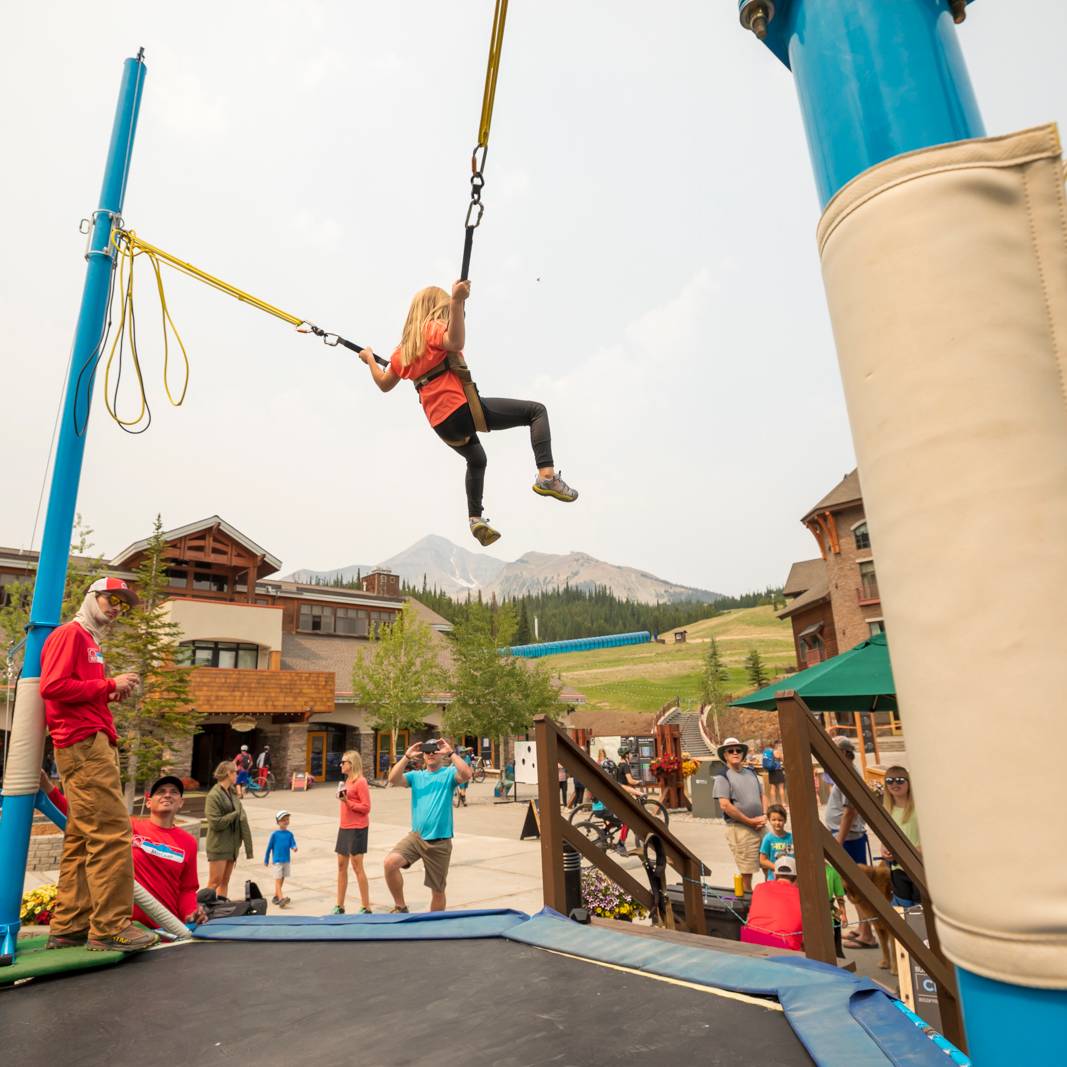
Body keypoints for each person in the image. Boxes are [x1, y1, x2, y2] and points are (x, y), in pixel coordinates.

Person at [358, 280, 579, 547]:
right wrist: (457, 301)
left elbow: (384, 384)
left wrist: (370, 359)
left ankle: (476, 519)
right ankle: (547, 477)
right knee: (536, 412)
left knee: (477, 459)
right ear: (434, 311)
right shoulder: (433, 329)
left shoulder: (401, 353)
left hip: (442, 425)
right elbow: (456, 340)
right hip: (461, 409)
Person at [40, 576, 157, 954]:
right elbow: (53, 687)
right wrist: (108, 686)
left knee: (81, 837)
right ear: (92, 597)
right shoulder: (71, 634)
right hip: (83, 743)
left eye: (121, 604)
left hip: (88, 739)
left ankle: (69, 925)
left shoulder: (90, 640)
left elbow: (75, 690)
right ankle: (109, 927)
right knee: (110, 832)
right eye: (111, 599)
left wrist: (109, 693)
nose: (116, 608)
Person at [43, 771, 206, 929]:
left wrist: (191, 914)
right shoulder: (128, 827)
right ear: (148, 802)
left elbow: (187, 889)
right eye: (161, 792)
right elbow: (83, 817)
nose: (167, 795)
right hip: (127, 929)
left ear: (181, 802)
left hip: (167, 929)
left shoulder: (188, 842)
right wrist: (48, 787)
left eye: (174, 792)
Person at [384, 738, 473, 912]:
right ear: (423, 756)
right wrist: (407, 757)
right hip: (416, 837)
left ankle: (435, 926)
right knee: (390, 863)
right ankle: (401, 906)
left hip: (439, 841)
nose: (431, 754)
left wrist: (451, 753)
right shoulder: (416, 776)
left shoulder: (448, 774)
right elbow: (393, 779)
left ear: (441, 754)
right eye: (427, 751)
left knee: (438, 891)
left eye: (435, 750)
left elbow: (467, 774)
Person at [824, 737, 877, 948]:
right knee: (851, 887)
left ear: (846, 754)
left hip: (849, 838)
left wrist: (838, 840)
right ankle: (862, 928)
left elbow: (849, 812)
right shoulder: (842, 773)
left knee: (856, 886)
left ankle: (868, 935)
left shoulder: (848, 774)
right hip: (846, 836)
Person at [712, 737, 766, 893]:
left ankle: (770, 904)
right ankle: (748, 909)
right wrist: (750, 821)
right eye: (731, 751)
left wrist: (764, 815)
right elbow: (725, 805)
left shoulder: (751, 773)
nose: (735, 753)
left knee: (770, 865)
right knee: (747, 872)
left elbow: (763, 795)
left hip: (760, 826)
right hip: (740, 828)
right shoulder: (723, 777)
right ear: (725, 755)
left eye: (738, 750)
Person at [205, 760, 253, 898]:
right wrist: (235, 814)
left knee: (225, 882)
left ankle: (221, 910)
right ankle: (200, 911)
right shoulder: (214, 795)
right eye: (235, 773)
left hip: (231, 846)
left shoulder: (231, 792)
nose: (237, 775)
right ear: (228, 773)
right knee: (214, 883)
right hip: (219, 846)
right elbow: (215, 823)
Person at [741, 854, 804, 951]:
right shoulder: (803, 897)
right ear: (797, 877)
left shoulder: (759, 888)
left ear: (775, 875)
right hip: (784, 947)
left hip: (750, 940)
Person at [335, 750, 372, 915]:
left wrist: (347, 802)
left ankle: (366, 906)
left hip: (358, 827)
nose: (341, 765)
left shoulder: (360, 782)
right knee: (341, 866)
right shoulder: (346, 781)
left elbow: (366, 808)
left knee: (357, 866)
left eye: (344, 762)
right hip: (344, 827)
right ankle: (339, 905)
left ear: (352, 764)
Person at [881, 765, 922, 907]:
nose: (894, 784)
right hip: (897, 869)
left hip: (919, 867)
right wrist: (885, 850)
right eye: (890, 781)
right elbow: (885, 838)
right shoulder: (886, 810)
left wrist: (916, 851)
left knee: (921, 910)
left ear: (909, 783)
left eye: (899, 780)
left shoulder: (919, 807)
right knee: (903, 909)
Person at [264, 810, 297, 907]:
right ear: (278, 822)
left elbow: (292, 843)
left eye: (287, 819)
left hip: (286, 860)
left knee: (282, 878)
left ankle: (276, 896)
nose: (286, 821)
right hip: (277, 861)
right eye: (283, 820)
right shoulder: (274, 835)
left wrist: (294, 847)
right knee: (278, 879)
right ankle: (281, 899)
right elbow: (269, 848)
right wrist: (266, 859)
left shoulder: (289, 834)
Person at [759, 804, 794, 881]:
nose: (777, 823)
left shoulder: (791, 838)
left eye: (780, 820)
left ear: (785, 820)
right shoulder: (768, 839)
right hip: (773, 878)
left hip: (791, 879)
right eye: (774, 820)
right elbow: (762, 860)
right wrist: (778, 868)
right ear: (769, 820)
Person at [826, 861, 848, 959]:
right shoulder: (805, 868)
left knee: (835, 950)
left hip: (829, 913)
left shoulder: (832, 871)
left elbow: (840, 896)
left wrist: (844, 915)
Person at [762, 742, 787, 807]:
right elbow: (784, 760)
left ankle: (774, 803)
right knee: (781, 787)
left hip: (771, 771)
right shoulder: (777, 752)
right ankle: (783, 803)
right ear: (775, 746)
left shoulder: (768, 752)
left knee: (772, 788)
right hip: (778, 771)